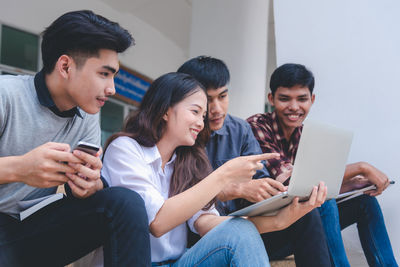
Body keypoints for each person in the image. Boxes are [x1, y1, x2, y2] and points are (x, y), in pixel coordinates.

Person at [100, 72, 327, 266]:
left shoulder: (187, 162)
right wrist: (224, 175)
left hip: (181, 261)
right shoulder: (126, 149)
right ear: (166, 110)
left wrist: (279, 222)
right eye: (195, 111)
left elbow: (208, 224)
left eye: (203, 115)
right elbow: (157, 223)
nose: (201, 122)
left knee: (239, 229)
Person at [0, 10, 151, 266]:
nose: (112, 89)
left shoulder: (88, 114)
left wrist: (89, 186)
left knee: (124, 203)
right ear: (66, 66)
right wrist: (19, 168)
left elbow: (81, 188)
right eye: (104, 74)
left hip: (28, 231)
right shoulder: (6, 95)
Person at [177, 56, 332, 267]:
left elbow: (261, 179)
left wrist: (267, 192)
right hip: (198, 238)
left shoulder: (239, 130)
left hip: (244, 225)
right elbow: (185, 203)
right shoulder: (181, 137)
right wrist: (235, 188)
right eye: (207, 100)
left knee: (307, 211)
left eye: (222, 96)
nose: (217, 109)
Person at [247, 63, 398, 267]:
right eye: (284, 98)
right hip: (265, 232)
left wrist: (355, 185)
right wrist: (362, 167)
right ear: (271, 99)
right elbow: (293, 182)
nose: (294, 107)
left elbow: (308, 187)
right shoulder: (257, 126)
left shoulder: (304, 134)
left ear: (312, 100)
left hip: (298, 225)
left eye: (302, 99)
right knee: (322, 201)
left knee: (365, 202)